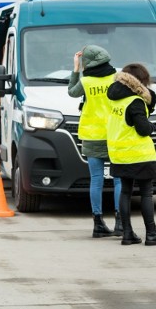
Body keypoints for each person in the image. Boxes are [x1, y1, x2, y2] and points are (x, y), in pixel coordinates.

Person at [107, 63, 156, 246]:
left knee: (125, 192)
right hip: (139, 154)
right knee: (146, 194)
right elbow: (143, 129)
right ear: (140, 82)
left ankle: (127, 234)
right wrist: (152, 126)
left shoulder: (114, 99)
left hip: (119, 154)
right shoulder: (135, 102)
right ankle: (151, 234)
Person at [68, 45, 122, 238]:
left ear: (87, 63)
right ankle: (120, 223)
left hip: (91, 134)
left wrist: (75, 69)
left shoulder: (86, 81)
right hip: (115, 134)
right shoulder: (116, 77)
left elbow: (72, 92)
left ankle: (98, 224)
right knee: (118, 179)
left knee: (96, 180)